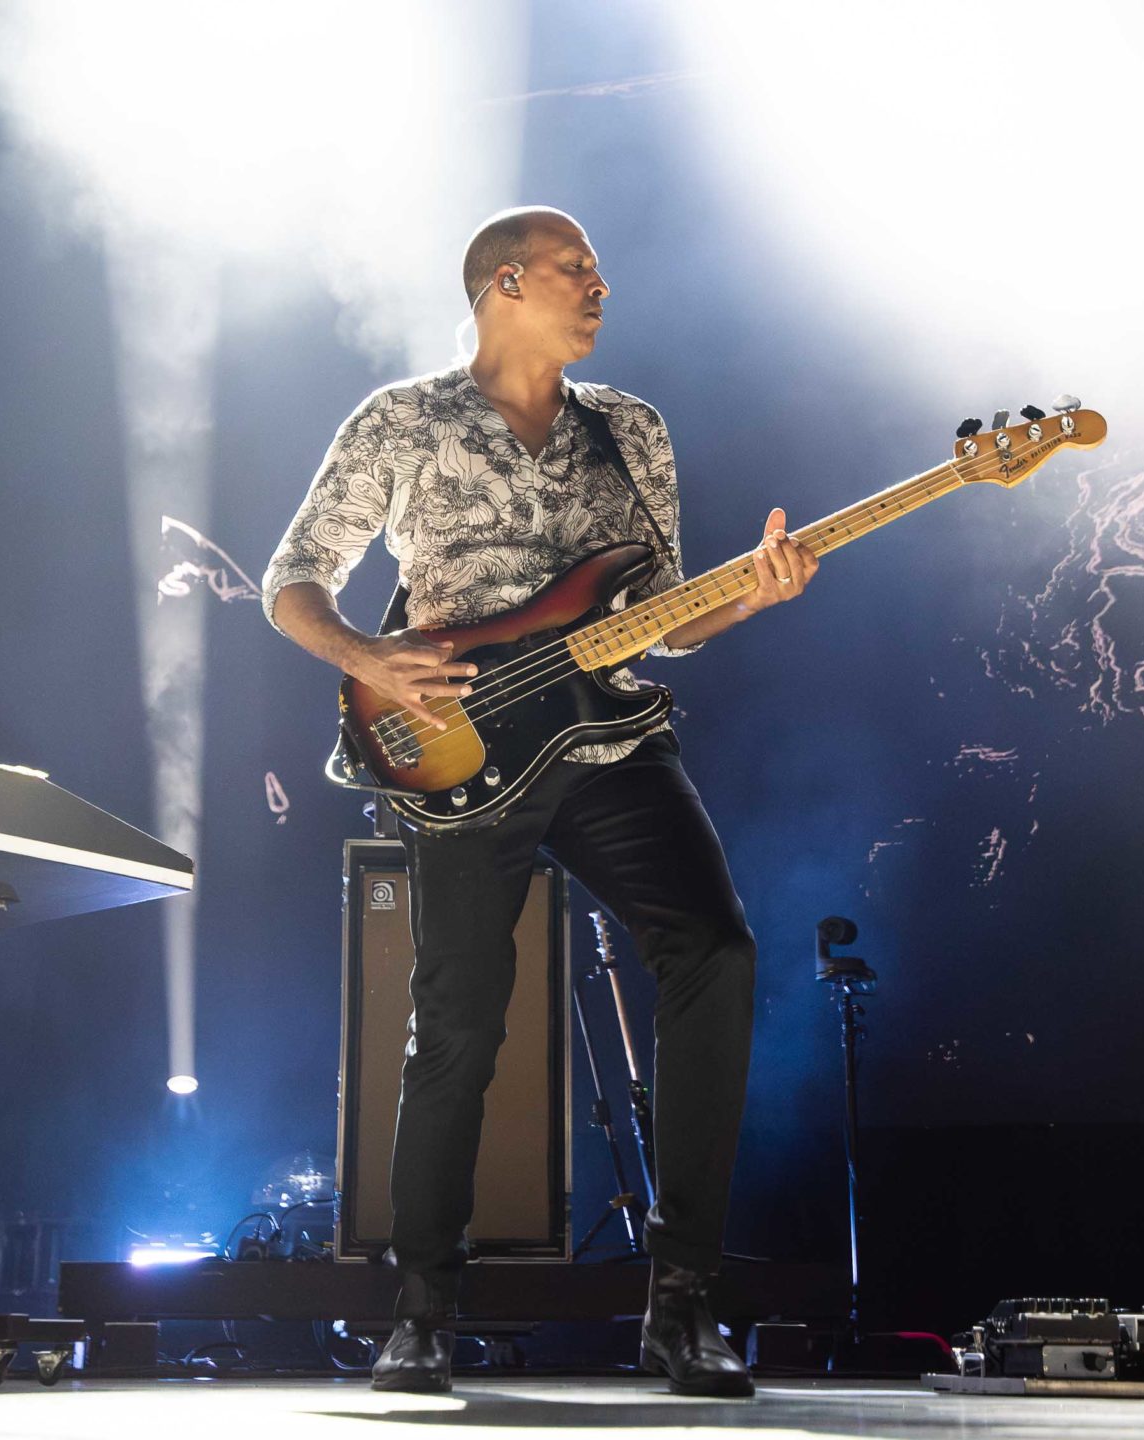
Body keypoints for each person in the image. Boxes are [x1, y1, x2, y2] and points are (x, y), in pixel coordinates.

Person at [260, 207, 818, 1396]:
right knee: (459, 1024)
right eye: (576, 268)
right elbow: (291, 578)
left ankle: (682, 1305)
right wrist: (367, 655)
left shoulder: (630, 429)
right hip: (458, 752)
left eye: (601, 270)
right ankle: (422, 1311)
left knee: (715, 952)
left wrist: (748, 597)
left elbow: (662, 617)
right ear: (504, 283)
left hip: (613, 742)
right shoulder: (404, 419)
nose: (599, 285)